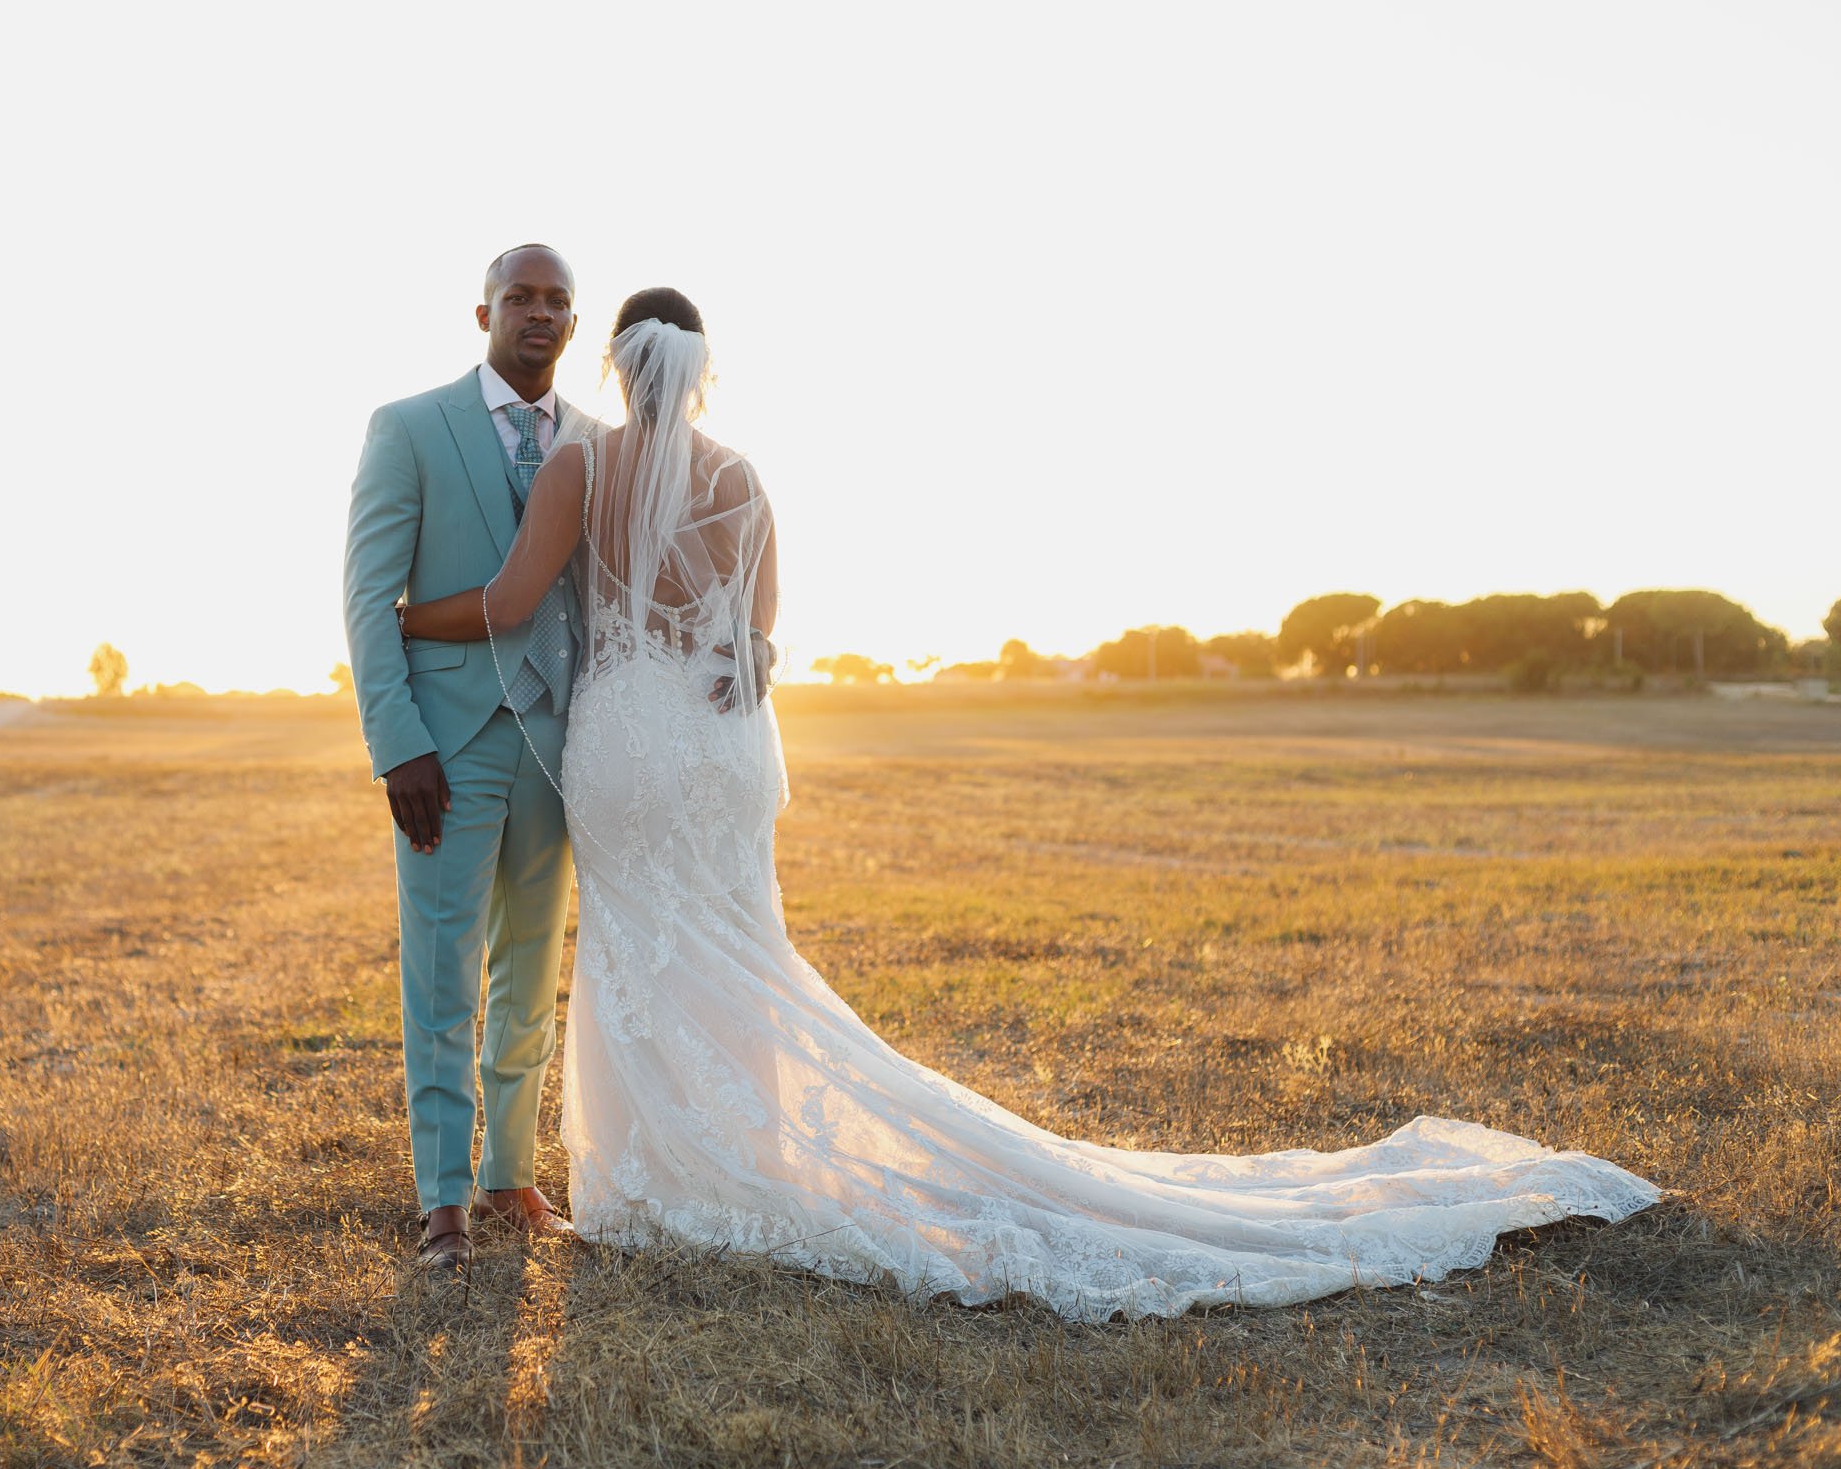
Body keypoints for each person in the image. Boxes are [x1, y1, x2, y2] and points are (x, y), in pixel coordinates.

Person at [395, 286, 1660, 1319]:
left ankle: (654, 1177)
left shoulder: (584, 465)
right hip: (720, 746)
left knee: (643, 955)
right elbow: (764, 625)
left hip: (626, 739)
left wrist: (406, 620)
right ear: (704, 374)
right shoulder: (742, 481)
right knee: (741, 945)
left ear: (619, 367)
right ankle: (746, 1149)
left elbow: (511, 606)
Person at [341, 244, 598, 1274]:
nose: (539, 314)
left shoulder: (595, 443)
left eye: (558, 302)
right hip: (445, 751)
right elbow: (369, 601)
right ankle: (441, 1201)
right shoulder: (408, 428)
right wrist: (397, 741)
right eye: (522, 297)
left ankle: (508, 1174)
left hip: (559, 747)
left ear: (574, 327)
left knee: (532, 973)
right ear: (483, 309)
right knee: (442, 974)